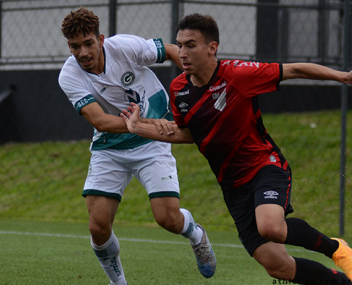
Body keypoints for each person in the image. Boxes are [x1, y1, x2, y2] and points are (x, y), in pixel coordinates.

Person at [121, 13, 352, 284]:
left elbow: (295, 70)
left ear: (212, 48)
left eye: (191, 45)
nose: (182, 52)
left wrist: (344, 77)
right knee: (278, 266)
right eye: (180, 45)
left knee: (270, 227)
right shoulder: (178, 89)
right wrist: (137, 127)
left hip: (264, 165)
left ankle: (337, 250)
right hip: (232, 185)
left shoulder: (238, 75)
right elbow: (189, 134)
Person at [58, 7, 216, 285]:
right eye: (74, 46)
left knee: (167, 218)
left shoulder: (125, 47)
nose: (82, 52)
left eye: (88, 43)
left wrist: (203, 82)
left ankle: (196, 234)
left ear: (101, 39)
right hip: (111, 146)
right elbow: (100, 120)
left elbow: (170, 51)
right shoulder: (69, 76)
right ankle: (118, 283)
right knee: (98, 226)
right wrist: (149, 124)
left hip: (152, 143)